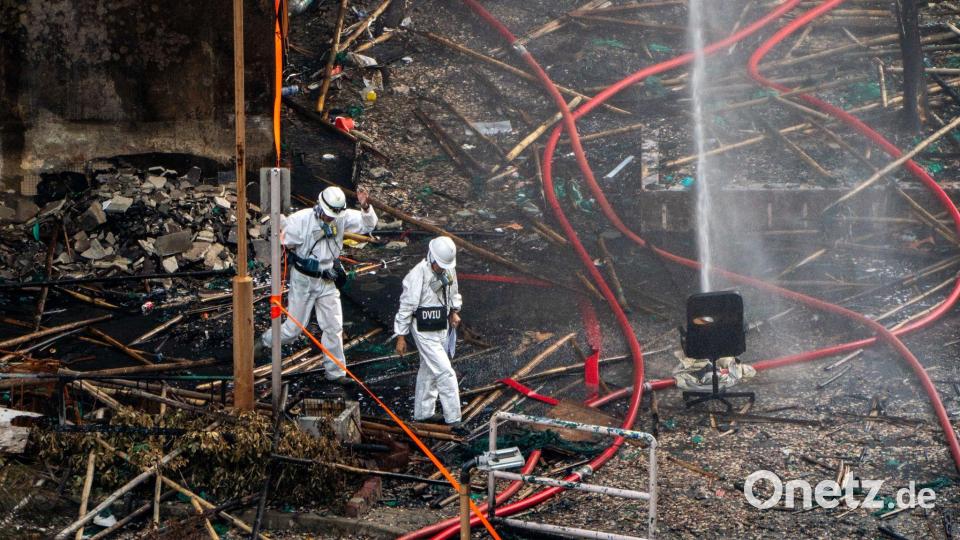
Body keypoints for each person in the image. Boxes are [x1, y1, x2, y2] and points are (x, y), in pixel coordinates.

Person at [256, 185, 377, 384]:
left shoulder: (342, 217)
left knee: (333, 326)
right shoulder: (301, 220)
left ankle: (336, 374)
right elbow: (282, 239)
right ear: (319, 207)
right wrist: (279, 223)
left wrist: (365, 207)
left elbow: (368, 225)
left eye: (333, 217)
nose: (331, 220)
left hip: (327, 279)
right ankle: (264, 341)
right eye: (328, 216)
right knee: (294, 328)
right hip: (303, 280)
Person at [394, 236, 463, 427]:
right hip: (423, 330)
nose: (441, 268)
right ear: (431, 257)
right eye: (439, 265)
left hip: (441, 326)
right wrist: (401, 336)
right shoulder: (417, 275)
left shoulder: (449, 269)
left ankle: (423, 413)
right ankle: (454, 418)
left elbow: (453, 292)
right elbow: (406, 307)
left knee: (429, 370)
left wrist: (454, 311)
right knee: (445, 372)